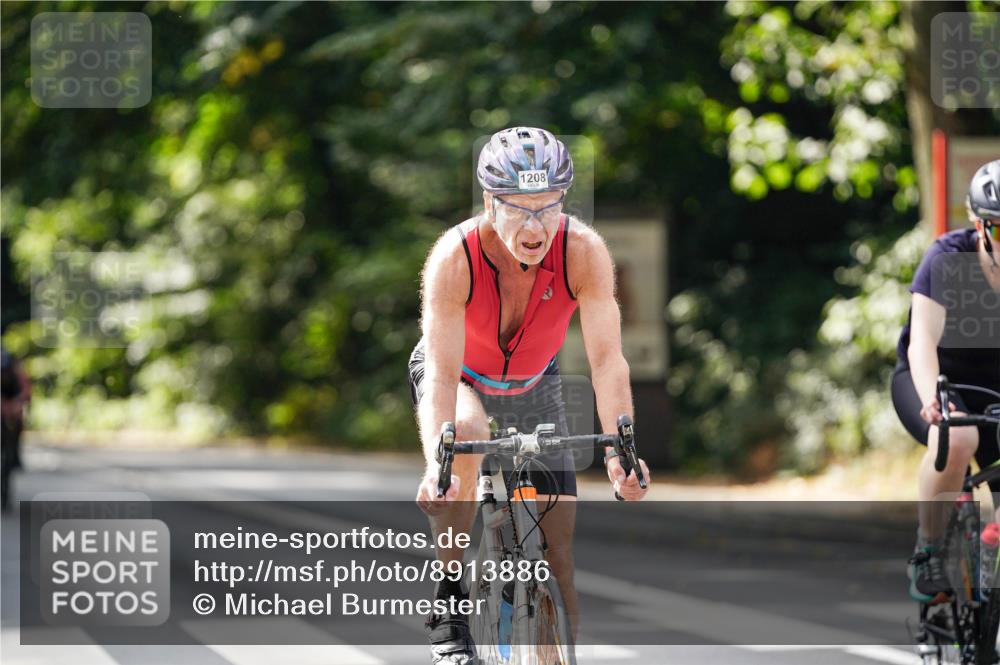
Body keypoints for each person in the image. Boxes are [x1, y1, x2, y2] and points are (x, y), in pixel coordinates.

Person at [408, 127, 651, 664]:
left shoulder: (583, 252)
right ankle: (448, 606)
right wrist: (437, 466)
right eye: (520, 209)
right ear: (491, 203)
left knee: (559, 559)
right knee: (465, 438)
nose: (536, 225)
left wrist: (620, 453)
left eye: (549, 207)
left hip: (533, 382)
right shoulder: (456, 256)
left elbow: (607, 361)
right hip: (461, 377)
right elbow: (443, 378)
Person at [892, 159, 1000, 604]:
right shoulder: (947, 258)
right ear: (980, 226)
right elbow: (922, 343)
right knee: (956, 438)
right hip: (938, 380)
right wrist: (934, 397)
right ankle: (930, 550)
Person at [1, 347, 31, 513]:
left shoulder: (15, 369)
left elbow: (26, 389)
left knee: (18, 421)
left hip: (12, 407)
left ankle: (15, 454)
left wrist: (16, 404)